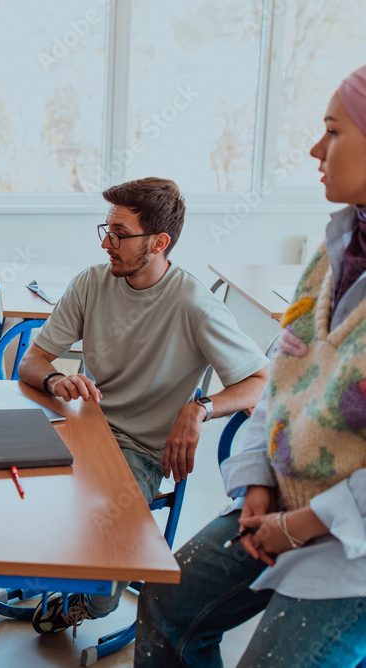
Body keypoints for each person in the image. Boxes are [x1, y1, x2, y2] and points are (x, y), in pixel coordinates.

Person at [134, 65, 366, 668]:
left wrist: (299, 526)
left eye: (333, 133)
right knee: (166, 600)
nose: (316, 150)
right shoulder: (332, 250)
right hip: (284, 498)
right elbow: (281, 386)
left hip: (351, 541)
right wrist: (258, 483)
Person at [17, 177, 271, 635]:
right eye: (105, 229)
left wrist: (200, 409)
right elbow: (31, 361)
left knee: (103, 570)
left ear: (159, 242)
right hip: (80, 426)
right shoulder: (92, 282)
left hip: (138, 451)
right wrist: (57, 379)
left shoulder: (195, 305)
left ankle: (86, 599)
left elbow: (261, 380)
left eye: (119, 233)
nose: (106, 242)